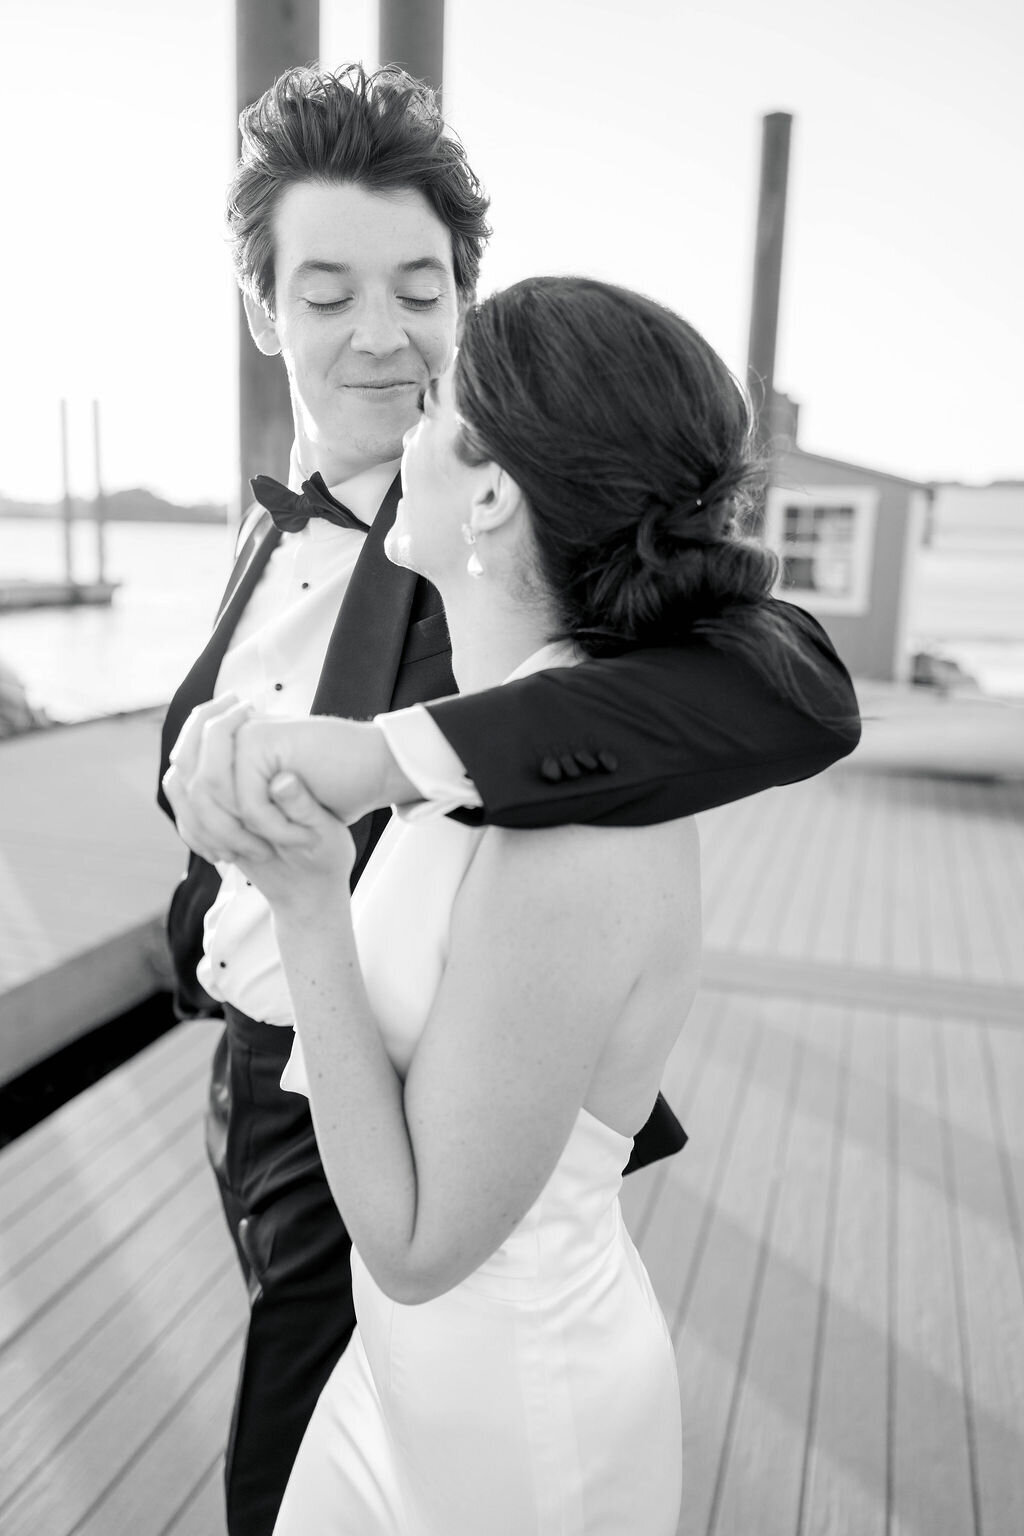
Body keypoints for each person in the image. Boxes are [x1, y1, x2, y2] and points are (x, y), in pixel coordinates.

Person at [159, 65, 859, 1536]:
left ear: (465, 301)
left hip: (404, 1118)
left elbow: (793, 687)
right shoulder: (270, 519)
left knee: (280, 1477)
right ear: (262, 313)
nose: (381, 335)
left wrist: (382, 757)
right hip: (254, 1072)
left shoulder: (508, 542)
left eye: (419, 288)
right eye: (327, 290)